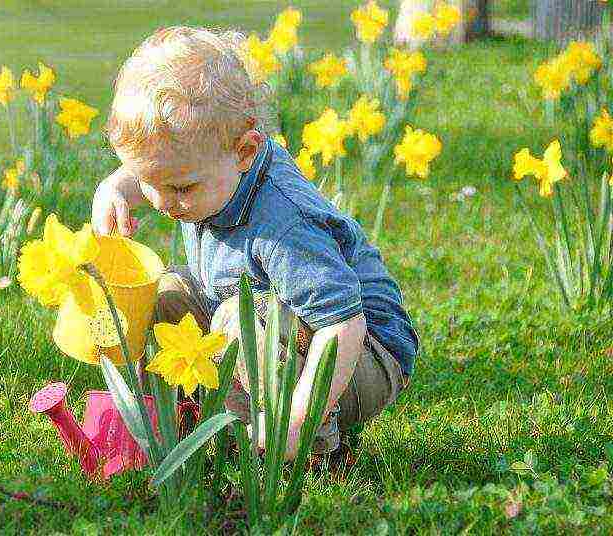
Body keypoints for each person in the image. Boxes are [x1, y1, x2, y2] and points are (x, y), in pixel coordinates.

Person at [91, 26, 418, 460]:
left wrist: (300, 418)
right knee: (164, 295)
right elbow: (161, 172)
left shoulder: (282, 224)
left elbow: (343, 326)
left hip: (363, 357)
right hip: (276, 324)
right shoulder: (216, 164)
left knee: (239, 318)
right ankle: (170, 420)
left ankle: (312, 452)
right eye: (151, 183)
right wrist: (116, 188)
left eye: (181, 189)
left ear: (246, 151)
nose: (163, 204)